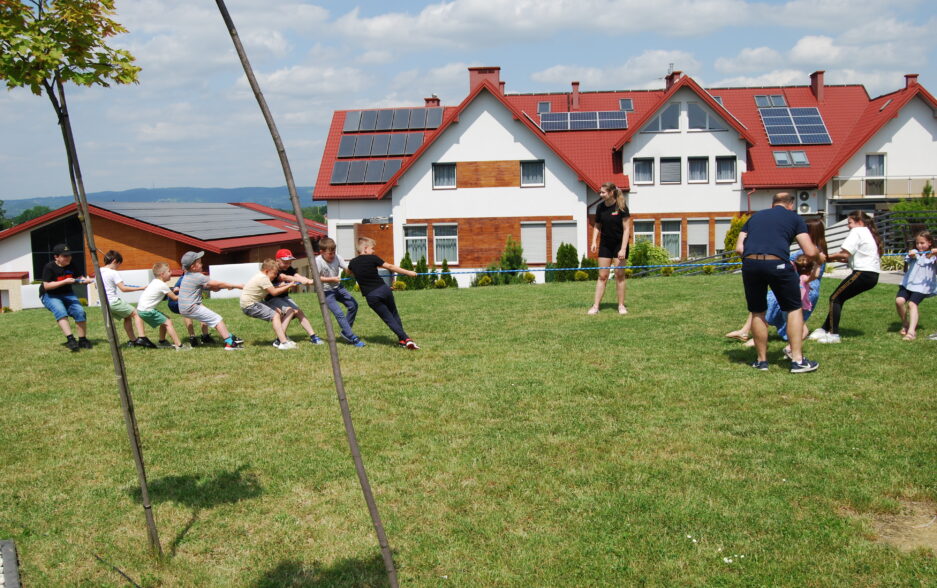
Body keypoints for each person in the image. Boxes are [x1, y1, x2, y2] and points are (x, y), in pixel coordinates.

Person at [736, 192, 821, 372]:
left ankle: (761, 361)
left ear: (772, 204)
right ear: (791, 205)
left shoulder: (754, 217)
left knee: (757, 311)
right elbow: (809, 250)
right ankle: (797, 360)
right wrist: (819, 256)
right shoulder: (794, 218)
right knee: (793, 308)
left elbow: (739, 248)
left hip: (750, 264)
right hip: (777, 264)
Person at [726, 218, 828, 353]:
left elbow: (792, 265)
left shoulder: (813, 252)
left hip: (804, 289)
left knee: (773, 308)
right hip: (800, 287)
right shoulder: (815, 251)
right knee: (768, 304)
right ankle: (749, 333)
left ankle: (788, 348)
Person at [810, 210, 883, 344]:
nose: (848, 226)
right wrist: (830, 259)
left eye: (850, 223)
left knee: (835, 298)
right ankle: (824, 329)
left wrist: (825, 257)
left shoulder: (857, 231)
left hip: (862, 273)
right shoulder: (868, 232)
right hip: (871, 275)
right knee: (839, 298)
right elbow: (847, 258)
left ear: (859, 222)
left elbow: (844, 254)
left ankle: (833, 334)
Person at [347, 237, 419, 349]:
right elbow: (390, 266)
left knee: (388, 319)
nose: (373, 251)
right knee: (394, 314)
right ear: (365, 248)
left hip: (372, 296)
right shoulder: (373, 258)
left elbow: (348, 272)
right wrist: (409, 272)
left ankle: (405, 339)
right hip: (384, 290)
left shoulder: (352, 263)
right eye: (372, 248)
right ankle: (404, 340)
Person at [177, 251, 245, 350]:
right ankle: (230, 344)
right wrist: (237, 285)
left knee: (210, 319)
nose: (202, 264)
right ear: (193, 267)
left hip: (184, 309)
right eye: (199, 263)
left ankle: (229, 336)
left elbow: (212, 287)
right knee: (217, 319)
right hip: (192, 307)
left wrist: (225, 287)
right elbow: (217, 284)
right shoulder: (197, 276)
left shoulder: (187, 275)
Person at [587, 182, 632, 315]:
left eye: (603, 192)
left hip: (619, 244)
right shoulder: (600, 207)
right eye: (600, 192)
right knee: (602, 276)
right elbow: (597, 225)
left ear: (611, 192)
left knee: (619, 275)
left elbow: (627, 229)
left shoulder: (621, 207)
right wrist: (593, 241)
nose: (600, 194)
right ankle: (595, 306)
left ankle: (621, 306)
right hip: (605, 245)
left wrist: (623, 249)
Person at [39, 243, 92, 352]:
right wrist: (65, 281)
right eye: (65, 256)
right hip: (50, 295)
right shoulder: (49, 267)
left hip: (67, 293)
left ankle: (82, 340)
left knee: (80, 312)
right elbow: (47, 286)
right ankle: (70, 340)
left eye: (69, 255)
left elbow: (79, 278)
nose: (68, 258)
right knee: (60, 311)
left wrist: (85, 280)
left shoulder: (72, 265)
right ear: (56, 257)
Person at [99, 250, 157, 348]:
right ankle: (142, 338)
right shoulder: (113, 273)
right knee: (137, 314)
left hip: (103, 304)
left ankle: (133, 340)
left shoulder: (99, 271)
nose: (118, 267)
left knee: (127, 316)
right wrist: (141, 288)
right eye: (119, 264)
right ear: (114, 261)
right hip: (113, 302)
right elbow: (123, 288)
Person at [266, 248, 324, 344]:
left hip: (283, 296)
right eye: (285, 262)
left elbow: (296, 275)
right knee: (290, 310)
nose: (288, 265)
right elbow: (285, 277)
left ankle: (313, 337)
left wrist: (306, 280)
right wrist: (303, 280)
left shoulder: (288, 268)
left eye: (289, 262)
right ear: (277, 261)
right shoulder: (275, 270)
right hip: (272, 298)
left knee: (299, 312)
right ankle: (279, 339)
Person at [240, 259, 301, 349]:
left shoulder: (261, 276)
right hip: (250, 305)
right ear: (267, 271)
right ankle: (283, 343)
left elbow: (270, 288)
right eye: (274, 273)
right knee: (275, 315)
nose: (275, 276)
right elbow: (274, 292)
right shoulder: (263, 278)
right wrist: (289, 285)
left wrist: (280, 286)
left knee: (279, 312)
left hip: (253, 302)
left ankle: (281, 339)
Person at [315, 237, 365, 347]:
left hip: (338, 287)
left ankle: (346, 332)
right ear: (321, 252)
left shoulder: (337, 257)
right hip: (325, 292)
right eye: (330, 253)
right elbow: (316, 278)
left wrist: (355, 270)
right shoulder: (317, 261)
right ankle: (352, 337)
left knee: (353, 305)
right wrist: (331, 279)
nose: (332, 255)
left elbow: (347, 270)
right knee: (339, 313)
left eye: (334, 252)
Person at [895, 230, 937, 341]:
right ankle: (905, 323)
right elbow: (910, 257)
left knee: (912, 304)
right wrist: (912, 254)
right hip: (908, 283)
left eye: (922, 243)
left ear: (930, 243)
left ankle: (911, 332)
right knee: (899, 301)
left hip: (922, 286)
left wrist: (935, 253)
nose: (919, 245)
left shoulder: (933, 256)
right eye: (917, 243)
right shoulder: (914, 253)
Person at [136, 262, 187, 350]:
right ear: (162, 274)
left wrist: (174, 291)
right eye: (169, 271)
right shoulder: (162, 285)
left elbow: (166, 293)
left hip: (141, 309)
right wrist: (187, 293)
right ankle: (179, 346)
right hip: (147, 310)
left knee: (166, 319)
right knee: (168, 322)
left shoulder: (155, 282)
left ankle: (162, 341)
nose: (171, 273)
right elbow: (175, 298)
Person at [166, 275, 214, 347]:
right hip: (176, 302)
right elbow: (176, 289)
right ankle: (195, 337)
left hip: (186, 300)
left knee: (202, 310)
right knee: (192, 311)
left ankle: (202, 336)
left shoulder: (195, 277)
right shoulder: (184, 278)